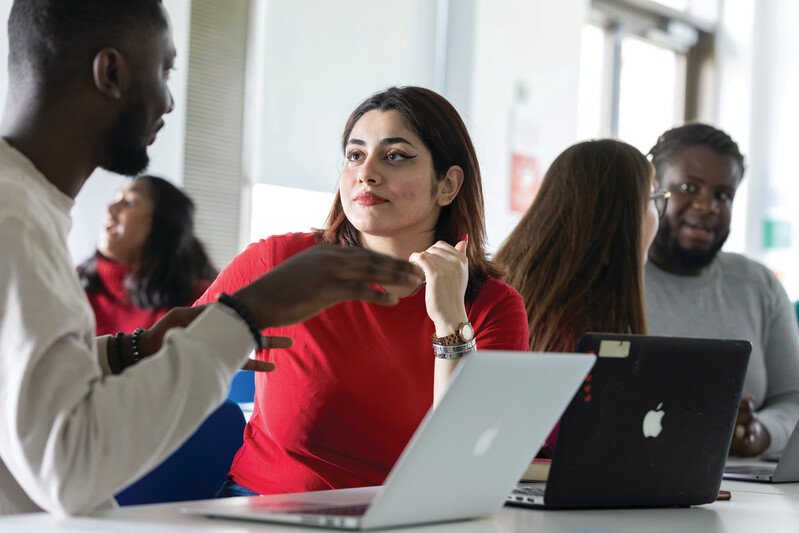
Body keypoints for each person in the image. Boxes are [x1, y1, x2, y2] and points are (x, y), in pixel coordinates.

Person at [0, 0, 423, 516]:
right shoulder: (14, 222)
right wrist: (245, 313)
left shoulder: (23, 211)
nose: (170, 101)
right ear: (110, 72)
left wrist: (130, 352)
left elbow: (21, 391)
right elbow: (69, 469)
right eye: (164, 70)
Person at [195, 86, 530, 497]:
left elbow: (463, 467)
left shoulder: (493, 306)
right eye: (355, 155)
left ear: (447, 185)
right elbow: (171, 356)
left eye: (395, 156)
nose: (365, 173)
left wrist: (450, 325)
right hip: (267, 512)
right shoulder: (282, 260)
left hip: (410, 523)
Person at [495, 139, 662, 454]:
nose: (658, 214)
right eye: (653, 197)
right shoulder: (576, 327)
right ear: (619, 219)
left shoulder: (525, 293)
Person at [645, 123, 799, 457]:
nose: (707, 206)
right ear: (653, 189)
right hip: (625, 478)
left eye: (722, 195)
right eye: (689, 187)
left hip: (742, 490)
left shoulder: (758, 284)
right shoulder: (613, 278)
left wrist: (758, 433)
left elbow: (793, 399)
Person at [78, 175, 217, 336]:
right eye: (115, 199)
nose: (109, 208)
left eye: (129, 202)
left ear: (162, 225)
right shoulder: (74, 285)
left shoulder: (199, 301)